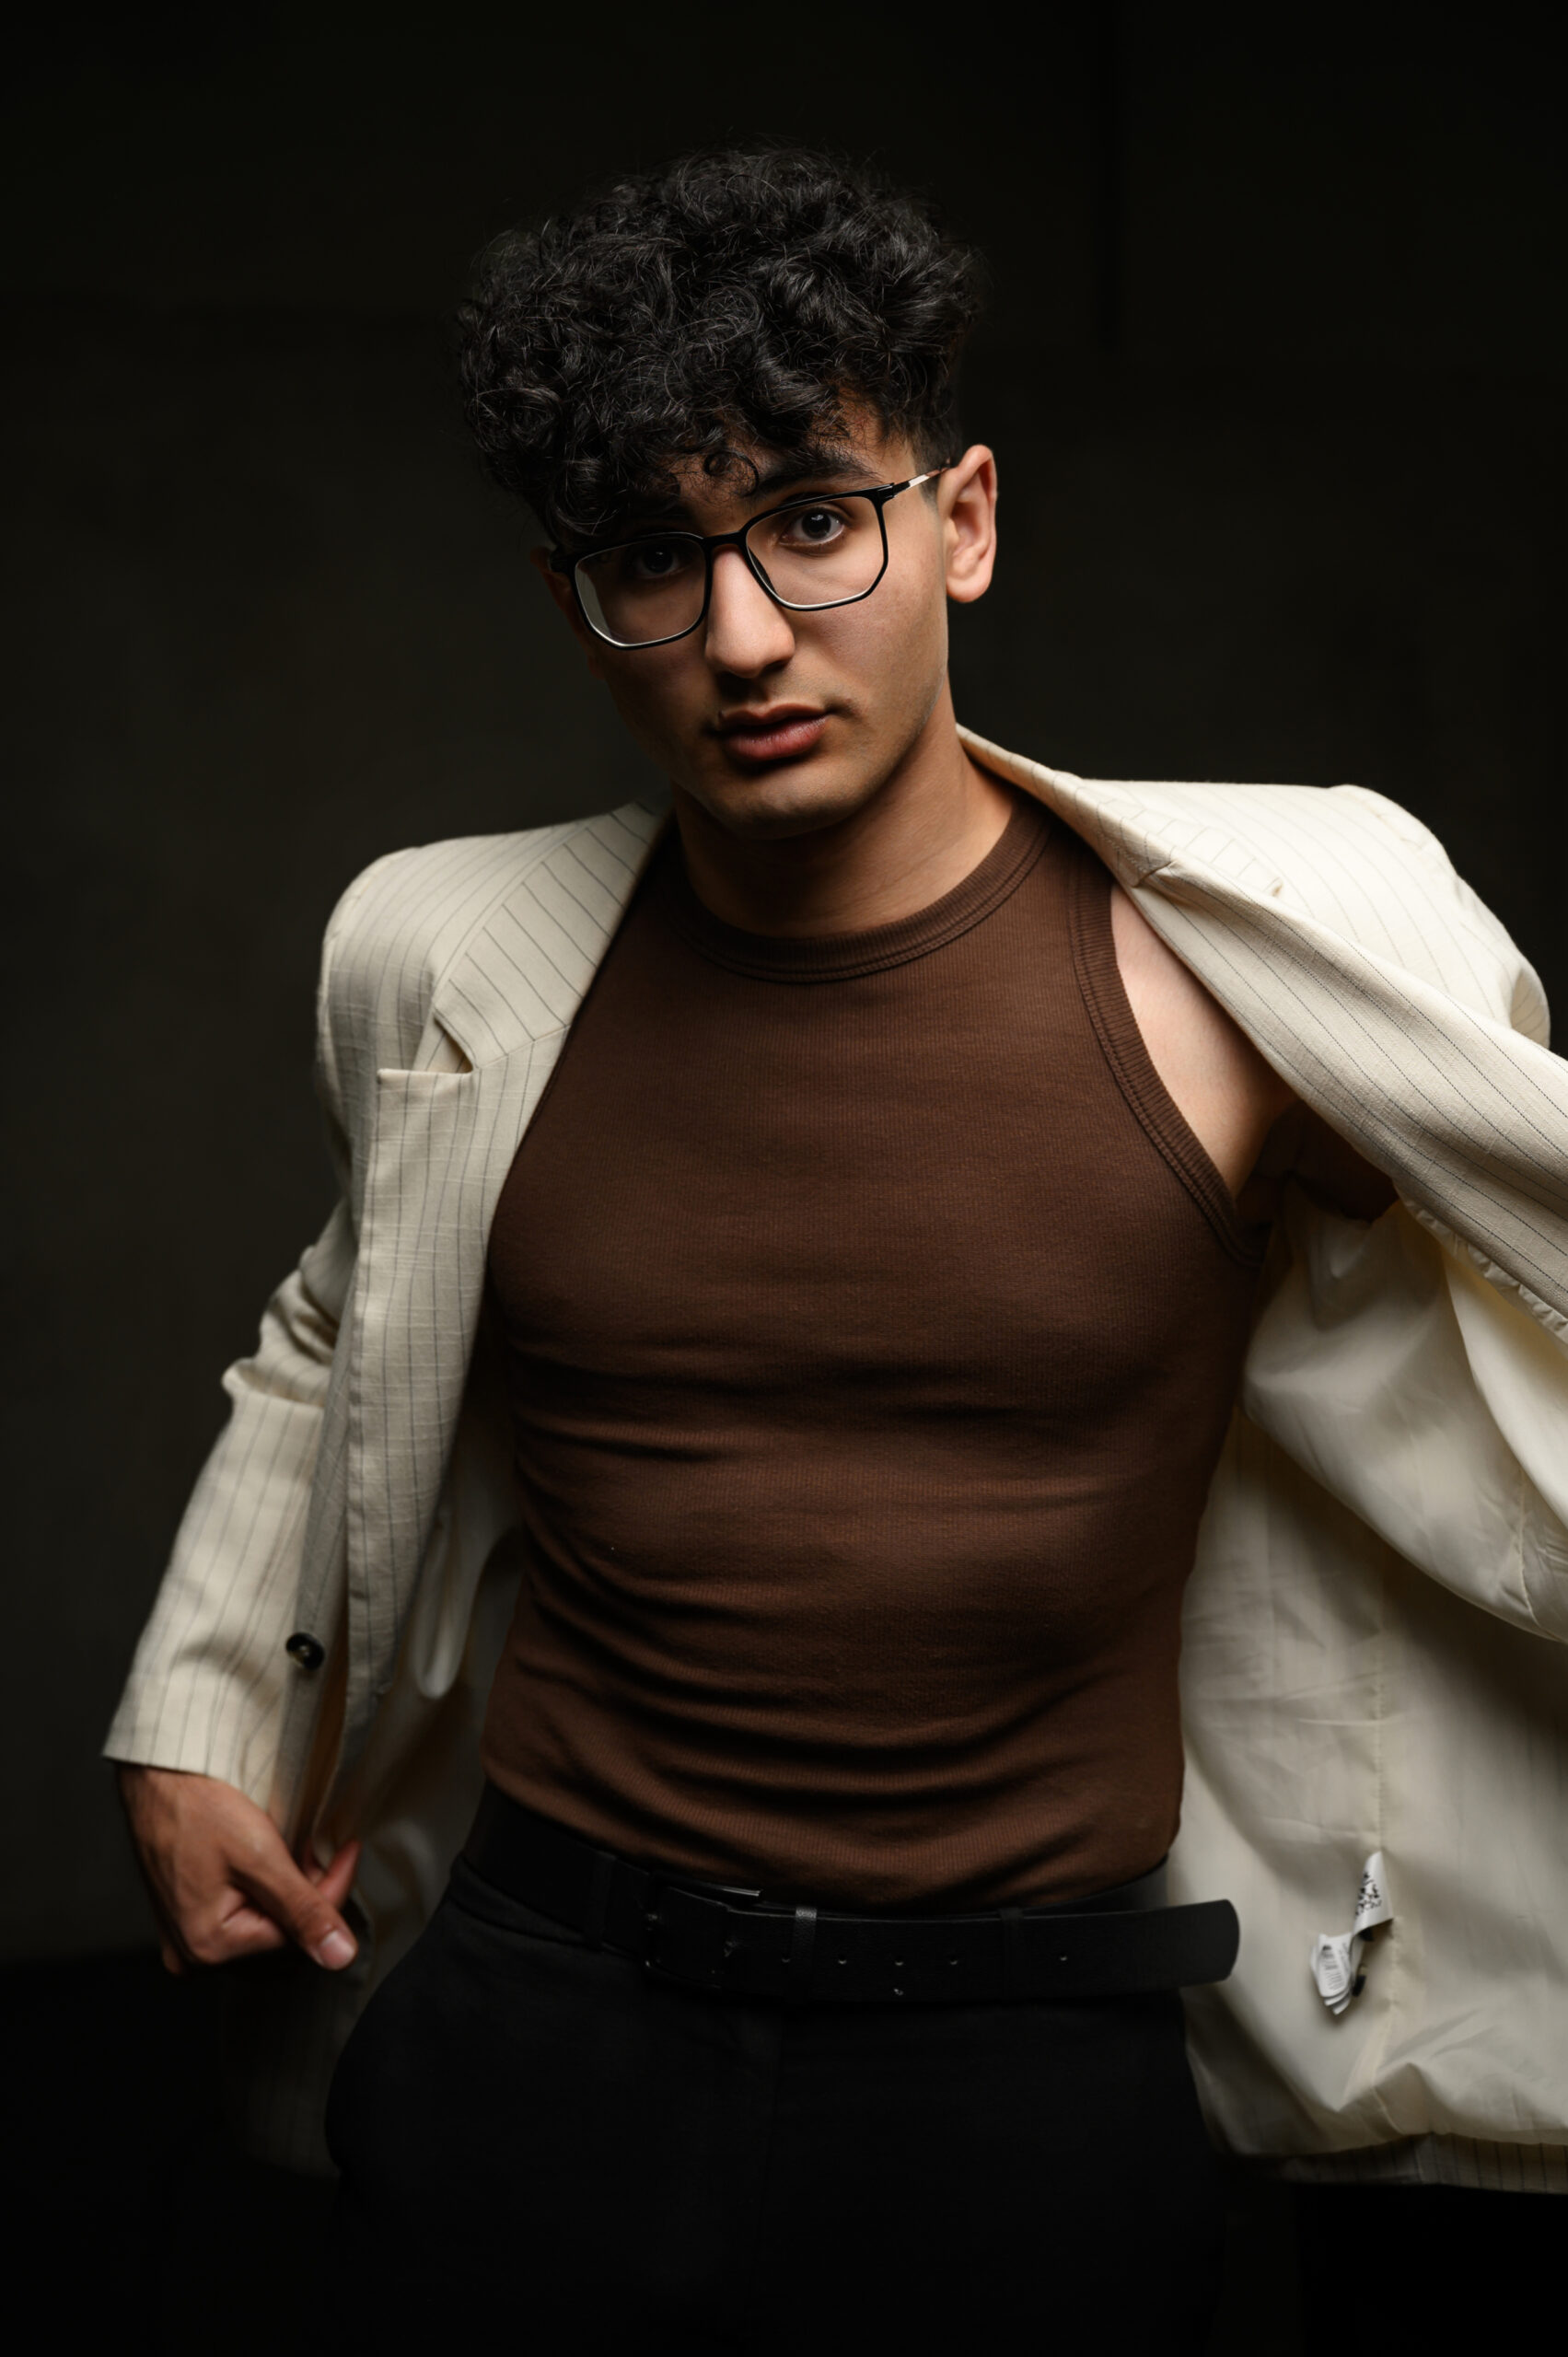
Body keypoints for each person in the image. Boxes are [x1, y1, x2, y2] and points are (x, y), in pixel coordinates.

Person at [109, 147, 1568, 2352]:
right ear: (574, 596)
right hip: (540, 2017)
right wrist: (194, 1712)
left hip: (1034, 2065)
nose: (742, 637)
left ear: (960, 518)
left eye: (812, 518)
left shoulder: (1270, 957)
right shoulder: (444, 956)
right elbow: (340, 1319)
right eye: (652, 556)